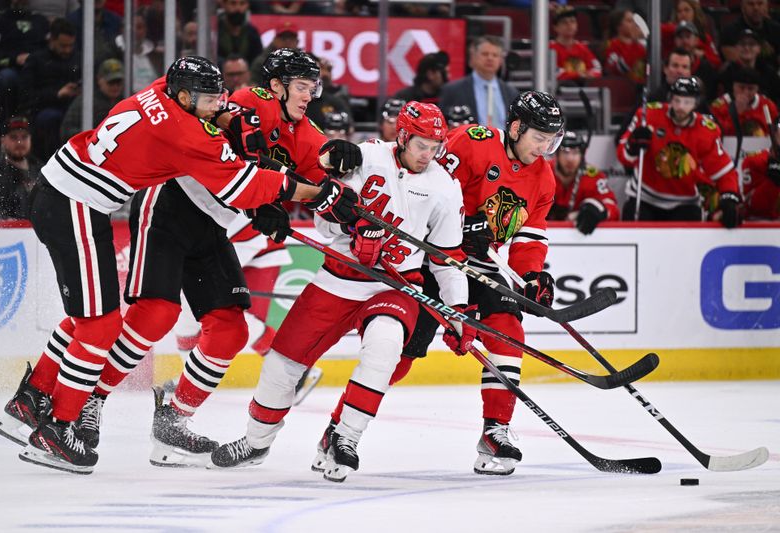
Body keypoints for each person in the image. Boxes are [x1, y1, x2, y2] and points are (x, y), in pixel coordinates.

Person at [0, 55, 361, 474]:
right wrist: (295, 195)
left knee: (228, 328)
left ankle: (167, 421)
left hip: (202, 221)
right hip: (163, 209)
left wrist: (343, 163)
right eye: (302, 85)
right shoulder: (238, 105)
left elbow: (304, 163)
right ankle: (74, 410)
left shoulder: (210, 106)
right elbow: (239, 175)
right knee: (141, 316)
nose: (310, 94)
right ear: (275, 85)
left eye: (315, 87)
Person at [210, 102, 469, 484]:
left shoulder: (444, 187)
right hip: (336, 279)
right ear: (401, 136)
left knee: (384, 349)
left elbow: (447, 259)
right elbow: (324, 221)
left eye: (435, 146)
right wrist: (349, 228)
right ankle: (256, 440)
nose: (428, 155)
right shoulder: (364, 158)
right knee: (282, 365)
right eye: (421, 145)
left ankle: (344, 439)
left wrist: (457, 310)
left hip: (395, 286)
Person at [316, 92, 562, 477]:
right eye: (539, 138)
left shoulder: (543, 175)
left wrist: (530, 276)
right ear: (515, 128)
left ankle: (495, 431)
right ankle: (338, 428)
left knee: (508, 327)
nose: (545, 147)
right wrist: (466, 227)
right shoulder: (473, 143)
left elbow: (530, 234)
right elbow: (427, 192)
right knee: (399, 359)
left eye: (552, 140)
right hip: (432, 261)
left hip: (479, 266)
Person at [617, 77, 741, 227]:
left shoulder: (706, 130)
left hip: (685, 203)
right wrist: (633, 144)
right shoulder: (647, 115)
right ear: (670, 99)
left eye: (687, 102)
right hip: (643, 197)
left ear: (696, 103)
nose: (681, 107)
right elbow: (624, 157)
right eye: (677, 100)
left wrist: (729, 197)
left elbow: (724, 172)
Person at [18, 17, 80, 160]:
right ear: (51, 39)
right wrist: (57, 94)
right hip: (43, 110)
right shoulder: (36, 60)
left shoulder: (77, 58)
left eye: (70, 45)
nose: (67, 50)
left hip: (72, 107)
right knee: (53, 118)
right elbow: (26, 95)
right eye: (63, 46)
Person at [0, 0, 50, 128]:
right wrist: (15, 59)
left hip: (35, 70)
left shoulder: (40, 20)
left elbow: (49, 50)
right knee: (7, 78)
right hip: (11, 69)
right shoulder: (2, 18)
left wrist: (34, 59)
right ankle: (6, 126)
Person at [439, 35, 518, 131]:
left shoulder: (511, 93)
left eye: (495, 55)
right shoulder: (452, 90)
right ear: (473, 57)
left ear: (501, 60)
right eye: (485, 54)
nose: (490, 58)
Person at [547, 131, 620, 234]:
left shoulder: (593, 177)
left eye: (575, 152)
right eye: (565, 151)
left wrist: (600, 210)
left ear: (582, 155)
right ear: (557, 153)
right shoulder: (542, 171)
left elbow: (614, 210)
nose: (570, 158)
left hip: (579, 237)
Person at [0, 117, 43, 219]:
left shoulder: (42, 170)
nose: (19, 142)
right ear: (2, 141)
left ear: (30, 139)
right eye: (13, 137)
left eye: (24, 137)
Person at [60, 58, 124, 141]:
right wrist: (96, 135)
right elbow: (66, 131)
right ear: (99, 80)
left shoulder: (124, 101)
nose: (115, 87)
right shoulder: (86, 101)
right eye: (111, 82)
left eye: (118, 82)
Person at [710, 67, 778, 137]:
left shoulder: (767, 105)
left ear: (757, 88)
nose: (746, 92)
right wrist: (736, 113)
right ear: (733, 86)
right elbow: (716, 133)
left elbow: (775, 133)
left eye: (750, 88)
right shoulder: (718, 106)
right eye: (741, 87)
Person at [719, 0, 780, 70]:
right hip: (744, 78)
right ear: (742, 7)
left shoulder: (776, 29)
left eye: (760, 3)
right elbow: (738, 66)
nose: (756, 8)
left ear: (766, 6)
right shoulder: (730, 32)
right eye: (750, 4)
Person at [550, 6, 602, 85]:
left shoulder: (582, 47)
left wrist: (590, 75)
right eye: (564, 22)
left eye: (572, 21)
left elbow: (597, 68)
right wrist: (579, 75)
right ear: (555, 27)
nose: (569, 25)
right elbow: (553, 72)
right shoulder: (550, 48)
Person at [741, 115, 780, 220]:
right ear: (775, 133)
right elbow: (754, 208)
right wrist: (772, 183)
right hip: (764, 227)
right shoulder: (754, 161)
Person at [671, 21, 718, 104]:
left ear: (696, 40)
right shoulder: (669, 65)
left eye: (688, 36)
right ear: (675, 41)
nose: (684, 41)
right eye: (680, 37)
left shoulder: (706, 68)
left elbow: (711, 98)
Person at [603, 9, 646, 85]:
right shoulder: (611, 45)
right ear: (618, 26)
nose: (634, 24)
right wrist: (634, 43)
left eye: (634, 21)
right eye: (629, 21)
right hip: (622, 88)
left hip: (642, 88)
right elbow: (621, 69)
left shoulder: (641, 46)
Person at [217, 0, 263, 67]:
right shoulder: (215, 31)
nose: (238, 8)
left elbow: (257, 60)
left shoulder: (252, 32)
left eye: (242, 3)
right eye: (233, 3)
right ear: (224, 5)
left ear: (248, 5)